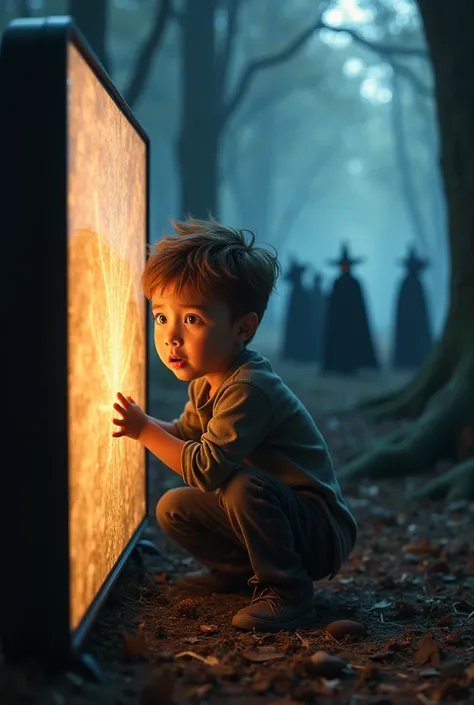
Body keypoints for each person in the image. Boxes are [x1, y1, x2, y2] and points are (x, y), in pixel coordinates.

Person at [111, 217, 357, 633]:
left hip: (317, 531)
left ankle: (289, 590)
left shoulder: (249, 388)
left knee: (242, 485)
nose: (171, 337)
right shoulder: (209, 381)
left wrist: (143, 431)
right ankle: (240, 574)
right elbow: (187, 434)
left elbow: (205, 468)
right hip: (274, 516)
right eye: (160, 318)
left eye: (191, 320)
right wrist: (141, 420)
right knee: (174, 507)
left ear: (243, 328)